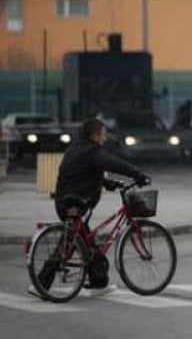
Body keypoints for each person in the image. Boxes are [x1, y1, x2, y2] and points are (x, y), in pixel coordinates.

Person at [37, 118, 150, 292]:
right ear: (95, 135)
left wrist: (105, 182)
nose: (104, 138)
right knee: (69, 243)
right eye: (103, 134)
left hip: (65, 201)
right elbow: (114, 163)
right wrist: (138, 175)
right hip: (78, 203)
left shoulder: (75, 149)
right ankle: (41, 283)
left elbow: (82, 174)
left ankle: (99, 281)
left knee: (85, 243)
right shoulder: (92, 151)